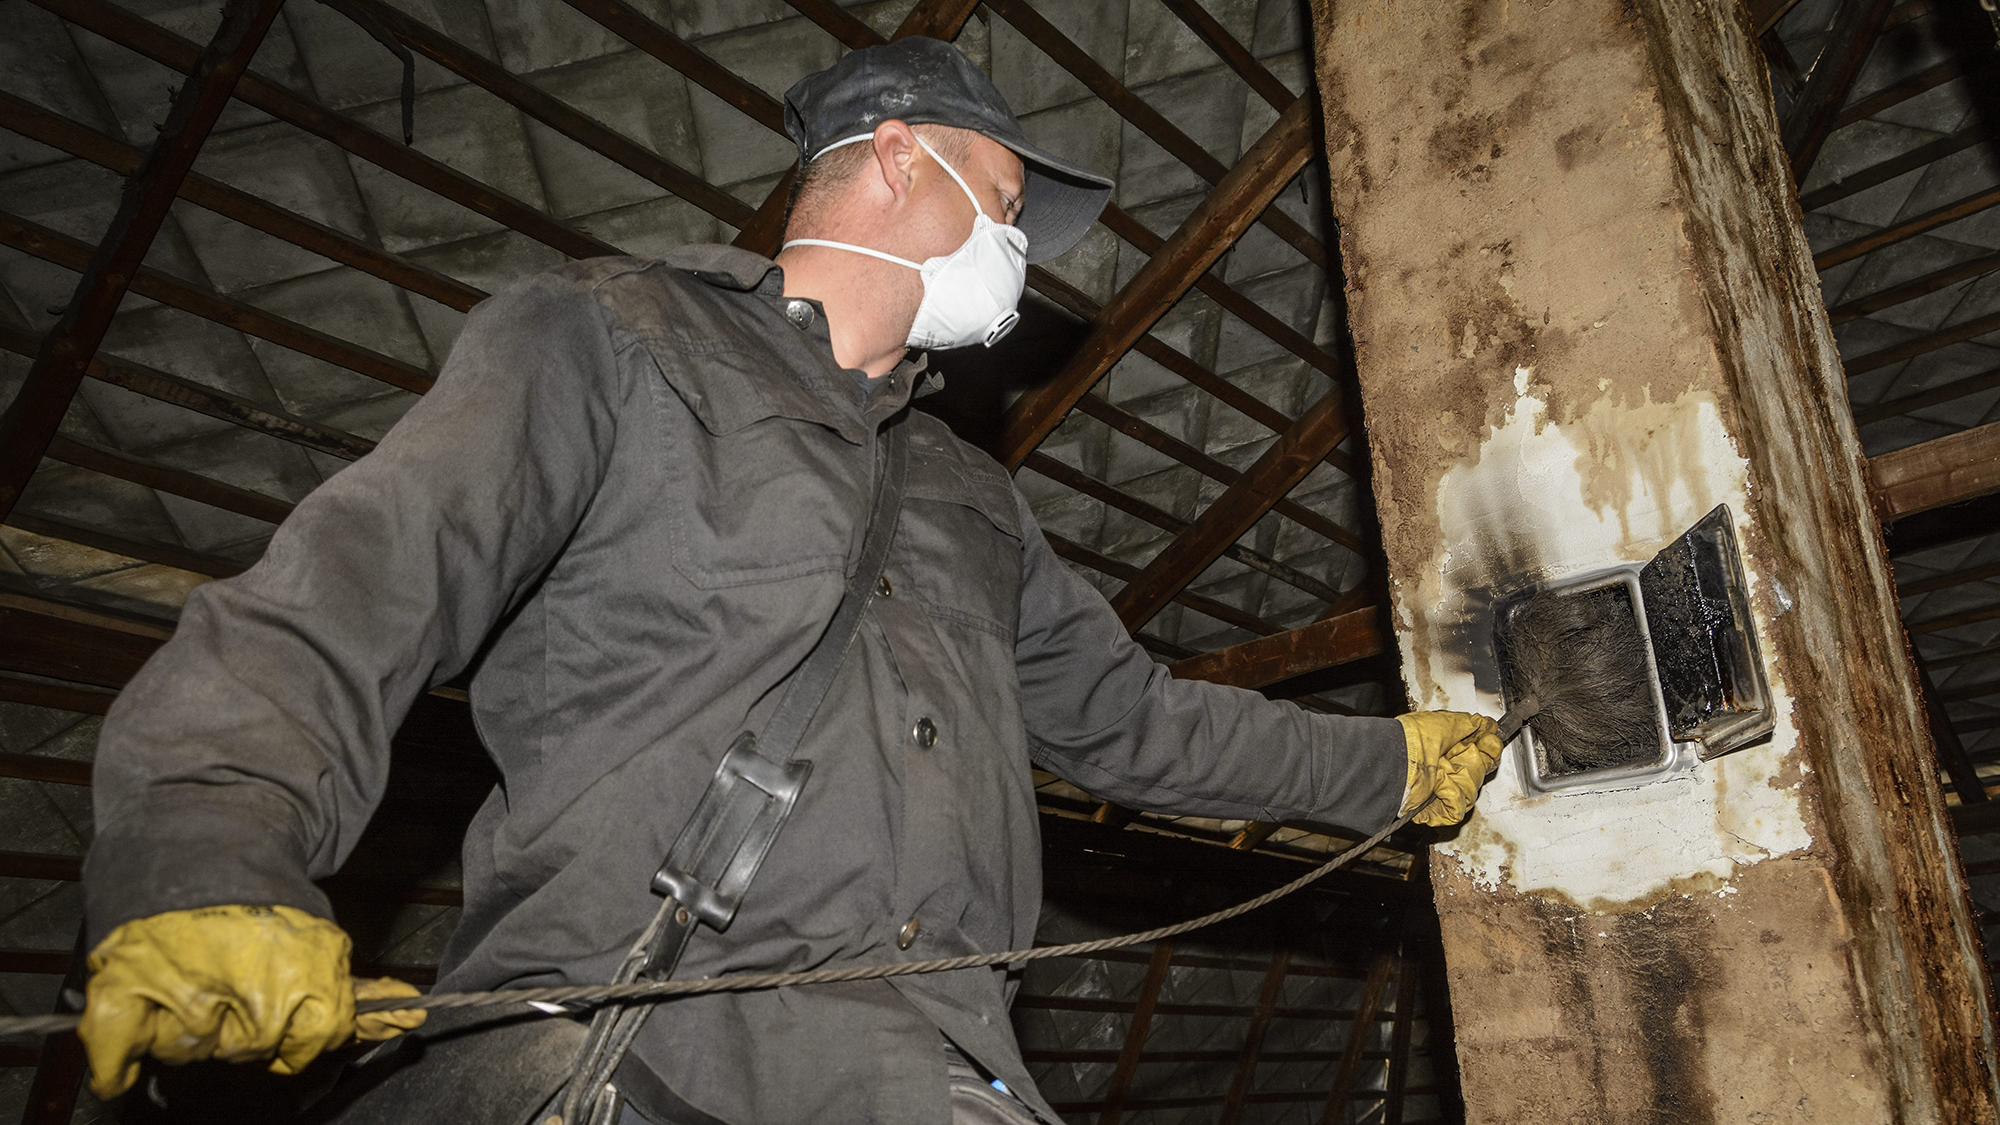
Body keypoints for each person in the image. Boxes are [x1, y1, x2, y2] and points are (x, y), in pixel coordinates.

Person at [74, 36, 1502, 1125]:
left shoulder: (974, 500)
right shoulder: (615, 336)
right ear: (896, 158)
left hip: (948, 1071)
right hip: (649, 1062)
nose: (1017, 255)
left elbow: (1144, 725)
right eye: (1002, 202)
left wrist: (1390, 768)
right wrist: (204, 860)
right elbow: (356, 584)